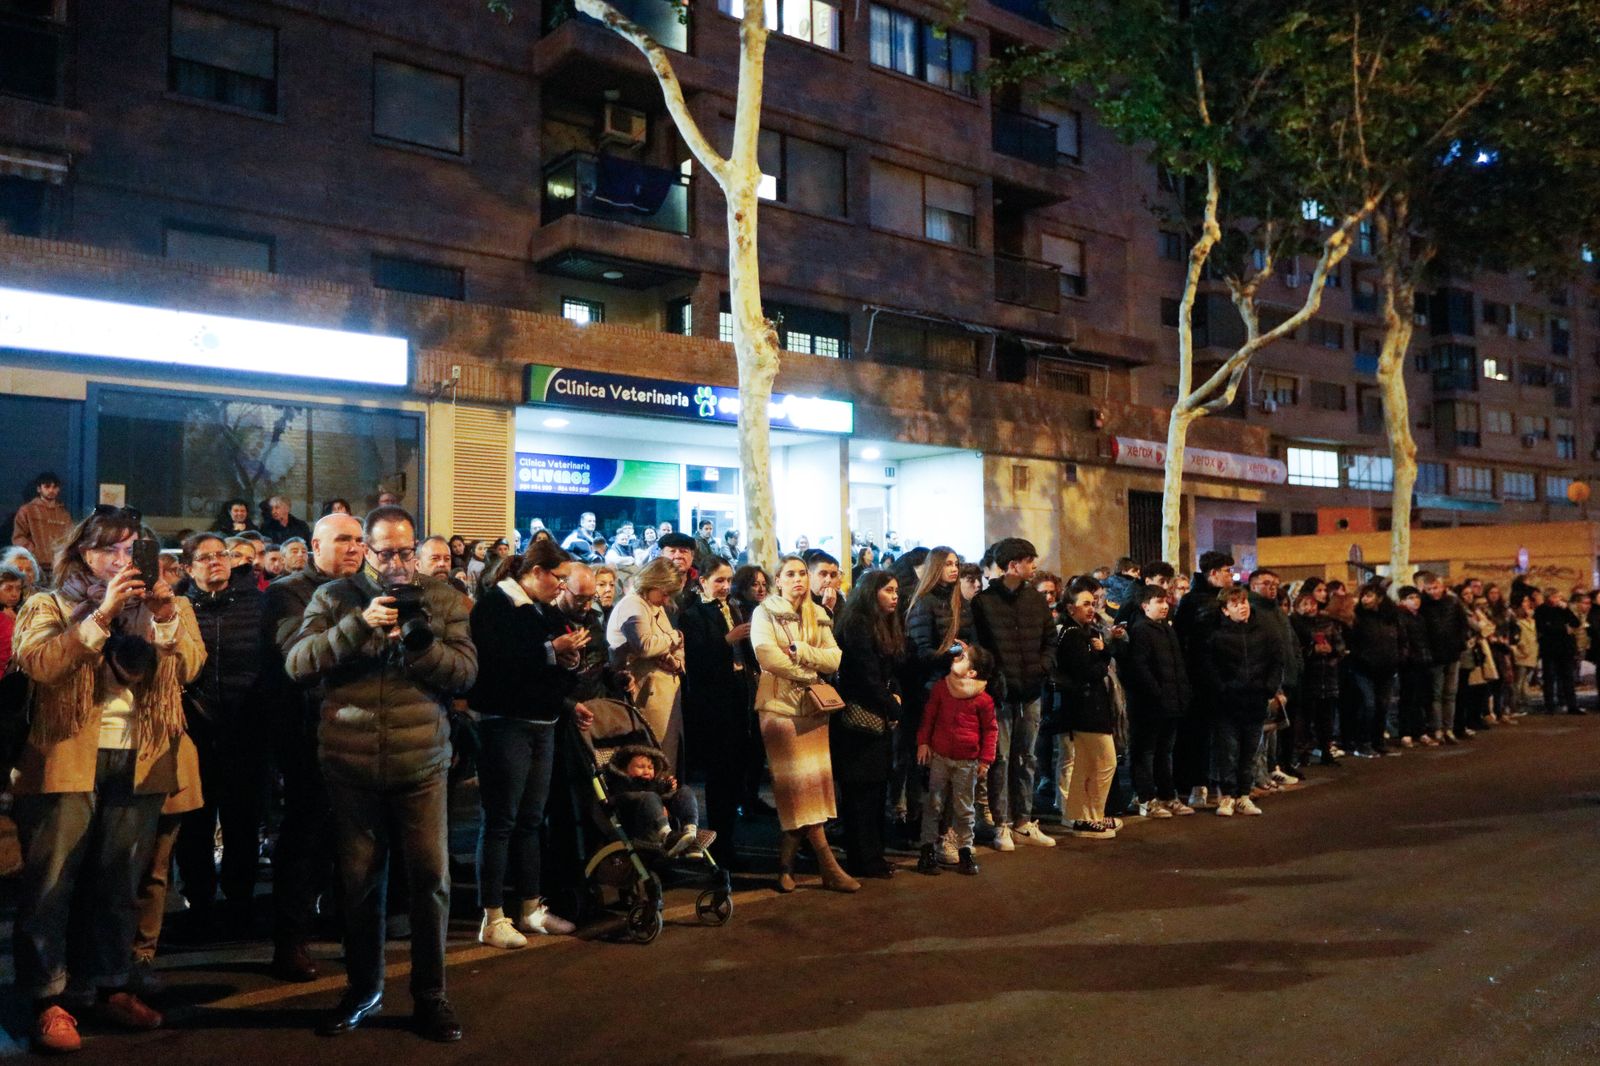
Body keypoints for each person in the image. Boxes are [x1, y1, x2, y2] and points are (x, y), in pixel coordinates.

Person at [10, 505, 204, 1052]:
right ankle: (49, 998)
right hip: (66, 761)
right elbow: (42, 663)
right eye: (109, 549)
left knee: (119, 884)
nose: (121, 560)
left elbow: (190, 665)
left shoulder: (169, 605)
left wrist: (162, 615)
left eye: (132, 549)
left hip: (140, 760)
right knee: (51, 886)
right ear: (82, 552)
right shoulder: (48, 603)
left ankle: (108, 985)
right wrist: (101, 616)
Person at [286, 505, 476, 1043]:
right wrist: (356, 626)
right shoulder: (334, 597)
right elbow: (297, 664)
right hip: (351, 765)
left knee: (431, 882)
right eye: (386, 551)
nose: (397, 562)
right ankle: (363, 989)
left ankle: (431, 994)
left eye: (406, 551)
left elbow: (466, 672)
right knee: (360, 885)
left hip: (422, 763)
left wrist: (422, 649)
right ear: (366, 550)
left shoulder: (441, 599)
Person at [466, 538, 593, 951]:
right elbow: (497, 665)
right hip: (506, 724)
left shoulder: (538, 611)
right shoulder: (495, 607)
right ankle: (492, 915)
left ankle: (530, 907)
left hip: (543, 722)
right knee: (501, 820)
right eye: (557, 578)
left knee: (532, 819)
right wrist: (549, 651)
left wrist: (566, 665)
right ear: (535, 572)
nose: (560, 586)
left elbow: (543, 667)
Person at [262, 511, 366, 982]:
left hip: (360, 731)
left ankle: (353, 932)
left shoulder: (367, 588)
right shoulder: (289, 593)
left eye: (359, 540)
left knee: (355, 839)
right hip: (309, 733)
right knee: (304, 839)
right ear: (314, 546)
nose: (353, 548)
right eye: (342, 539)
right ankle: (291, 942)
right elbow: (296, 658)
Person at [174, 531, 267, 938]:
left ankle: (241, 902)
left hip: (247, 729)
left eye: (222, 554)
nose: (216, 561)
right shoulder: (177, 608)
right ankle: (198, 903)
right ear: (188, 566)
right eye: (206, 556)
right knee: (194, 823)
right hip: (194, 730)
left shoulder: (259, 605)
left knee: (243, 822)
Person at [751, 554, 855, 893]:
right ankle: (828, 865)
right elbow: (767, 656)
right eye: (790, 574)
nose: (798, 579)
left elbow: (834, 657)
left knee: (812, 786)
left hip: (812, 710)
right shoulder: (764, 612)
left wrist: (802, 654)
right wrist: (808, 669)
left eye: (801, 573)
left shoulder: (819, 614)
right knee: (796, 786)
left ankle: (785, 866)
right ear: (777, 580)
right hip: (778, 709)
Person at [970, 537, 1057, 850]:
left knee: (1027, 757)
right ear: (1012, 565)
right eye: (1029, 560)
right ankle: (1002, 824)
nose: (1033, 566)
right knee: (1001, 759)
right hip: (1002, 694)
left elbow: (1050, 640)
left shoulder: (1034, 600)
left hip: (1032, 691)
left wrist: (1042, 667)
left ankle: (1024, 819)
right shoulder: (984, 603)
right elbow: (979, 650)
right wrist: (996, 679)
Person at [680, 559, 757, 867]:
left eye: (728, 580)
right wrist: (728, 640)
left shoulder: (735, 608)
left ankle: (730, 838)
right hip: (714, 701)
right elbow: (697, 659)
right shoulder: (693, 614)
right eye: (719, 581)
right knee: (720, 775)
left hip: (740, 695)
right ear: (703, 583)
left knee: (736, 771)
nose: (725, 586)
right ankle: (718, 844)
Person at [830, 570, 906, 878]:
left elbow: (890, 671)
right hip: (859, 721)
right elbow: (864, 677)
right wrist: (892, 706)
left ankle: (873, 854)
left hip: (878, 714)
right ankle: (864, 859)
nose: (895, 595)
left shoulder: (884, 623)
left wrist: (895, 696)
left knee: (875, 789)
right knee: (861, 792)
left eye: (896, 590)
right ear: (871, 592)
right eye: (888, 590)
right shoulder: (858, 625)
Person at [898, 547, 973, 846]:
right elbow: (920, 652)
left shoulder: (959, 603)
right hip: (931, 690)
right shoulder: (923, 604)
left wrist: (970, 654)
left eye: (957, 563)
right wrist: (952, 655)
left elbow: (973, 640)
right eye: (948, 564)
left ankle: (947, 827)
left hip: (959, 688)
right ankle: (922, 826)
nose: (954, 569)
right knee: (930, 763)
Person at [914, 645, 996, 876]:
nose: (957, 657)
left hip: (967, 761)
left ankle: (965, 850)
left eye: (964, 657)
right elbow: (929, 717)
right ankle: (927, 849)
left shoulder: (982, 699)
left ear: (972, 673)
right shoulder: (943, 688)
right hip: (940, 756)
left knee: (964, 808)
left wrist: (985, 759)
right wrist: (924, 742)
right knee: (934, 803)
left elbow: (990, 730)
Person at [1202, 588, 1283, 817]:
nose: (1242, 606)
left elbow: (1276, 661)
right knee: (1228, 750)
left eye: (1244, 601)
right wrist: (1222, 689)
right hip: (1227, 702)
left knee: (1250, 751)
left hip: (1255, 699)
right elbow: (1209, 667)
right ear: (1225, 610)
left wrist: (1269, 687)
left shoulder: (1265, 631)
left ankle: (1244, 795)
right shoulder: (1216, 636)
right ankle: (1227, 796)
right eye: (1235, 603)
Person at [607, 558, 687, 769]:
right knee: (652, 758)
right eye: (665, 592)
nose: (666, 598)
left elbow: (675, 648)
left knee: (667, 757)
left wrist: (677, 663)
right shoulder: (633, 605)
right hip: (645, 694)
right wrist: (674, 636)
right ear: (653, 583)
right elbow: (645, 645)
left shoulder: (653, 606)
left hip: (665, 692)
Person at [1056, 579, 1121, 838]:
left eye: (1093, 603)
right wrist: (1103, 657)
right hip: (1086, 709)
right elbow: (1086, 672)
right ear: (1071, 608)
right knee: (1105, 762)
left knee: (1087, 765)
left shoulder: (1083, 633)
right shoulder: (1073, 636)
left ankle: (1083, 816)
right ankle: (1091, 815)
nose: (1091, 608)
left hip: (1085, 707)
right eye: (1085, 604)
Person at [1122, 584, 1192, 817]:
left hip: (1171, 703)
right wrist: (1157, 692)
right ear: (1144, 606)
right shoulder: (1141, 630)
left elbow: (1178, 666)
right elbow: (1140, 667)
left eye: (1165, 601)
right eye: (1158, 602)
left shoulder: (1166, 629)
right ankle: (1145, 797)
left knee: (1164, 751)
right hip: (1149, 705)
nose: (1165, 606)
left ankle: (1167, 795)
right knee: (1145, 751)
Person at [1172, 550, 1233, 810]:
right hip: (1199, 679)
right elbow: (1184, 640)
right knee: (1198, 734)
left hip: (1225, 676)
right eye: (1227, 571)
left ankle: (1224, 786)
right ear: (1214, 573)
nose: (1231, 575)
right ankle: (1197, 783)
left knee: (1223, 735)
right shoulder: (1193, 601)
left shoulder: (1229, 599)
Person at [602, 746, 701, 856]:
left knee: (684, 791)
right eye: (640, 767)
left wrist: (670, 788)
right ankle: (668, 838)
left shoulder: (656, 785)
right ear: (624, 769)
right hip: (641, 830)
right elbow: (617, 800)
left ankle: (690, 832)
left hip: (669, 822)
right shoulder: (621, 785)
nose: (647, 771)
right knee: (649, 797)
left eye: (650, 767)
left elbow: (667, 797)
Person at [1292, 590, 1347, 764]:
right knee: (1305, 719)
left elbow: (1340, 645)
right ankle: (1303, 753)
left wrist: (1333, 652)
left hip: (1327, 676)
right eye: (1305, 604)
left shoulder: (1327, 623)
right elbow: (1294, 651)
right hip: (1307, 676)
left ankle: (1326, 751)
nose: (1310, 608)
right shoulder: (1294, 624)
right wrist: (1311, 651)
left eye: (1313, 604)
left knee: (1326, 718)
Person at [1348, 582, 1401, 757]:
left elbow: (1401, 640)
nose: (1365, 599)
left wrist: (1397, 658)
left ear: (1380, 598)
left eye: (1369, 595)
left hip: (1386, 669)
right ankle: (1363, 743)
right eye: (1364, 595)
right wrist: (1360, 659)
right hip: (1363, 669)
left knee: (1382, 706)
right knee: (1368, 705)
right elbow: (1351, 643)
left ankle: (1378, 742)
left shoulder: (1390, 618)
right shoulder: (1357, 618)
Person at [1418, 570, 1471, 742]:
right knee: (1436, 694)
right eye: (1429, 589)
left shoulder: (1453, 603)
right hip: (1434, 656)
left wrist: (1460, 642)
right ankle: (1438, 729)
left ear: (1442, 587)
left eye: (1435, 588)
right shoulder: (1423, 606)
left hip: (1453, 654)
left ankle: (1448, 728)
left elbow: (1463, 624)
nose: (1433, 591)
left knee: (1450, 693)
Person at [12, 472, 72, 579]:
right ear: (39, 489)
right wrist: (33, 553)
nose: (51, 490)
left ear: (59, 489)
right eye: (47, 486)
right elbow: (18, 537)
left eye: (55, 487)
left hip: (59, 568)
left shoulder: (64, 514)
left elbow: (71, 538)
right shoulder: (27, 510)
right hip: (35, 567)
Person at [1535, 588, 1582, 715]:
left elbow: (1576, 623)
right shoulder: (1541, 610)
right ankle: (1549, 706)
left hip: (1565, 649)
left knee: (1568, 677)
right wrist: (1563, 628)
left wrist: (1566, 609)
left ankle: (1572, 705)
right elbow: (1543, 628)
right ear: (1549, 597)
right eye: (1556, 597)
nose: (1558, 600)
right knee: (1549, 678)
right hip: (1549, 649)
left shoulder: (1563, 610)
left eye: (1559, 597)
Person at [656, 531, 701, 613]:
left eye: (683, 551)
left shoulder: (702, 581)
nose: (678, 556)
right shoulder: (651, 583)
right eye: (672, 551)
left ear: (692, 556)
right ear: (661, 555)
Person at [808, 551, 842, 617]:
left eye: (833, 575)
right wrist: (827, 609)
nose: (828, 580)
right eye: (823, 574)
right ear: (809, 576)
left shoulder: (840, 600)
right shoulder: (801, 601)